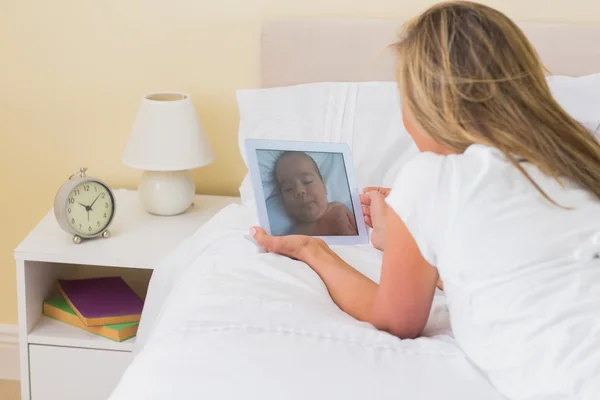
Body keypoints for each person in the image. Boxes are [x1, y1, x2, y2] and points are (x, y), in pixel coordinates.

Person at [251, 1, 600, 399]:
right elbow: (528, 268)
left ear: (428, 106)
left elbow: (396, 320)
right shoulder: (581, 159)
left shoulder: (430, 177)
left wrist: (314, 251)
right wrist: (410, 236)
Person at [273, 151, 358, 236]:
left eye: (307, 181)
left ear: (324, 186)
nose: (299, 191)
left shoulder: (345, 208)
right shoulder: (291, 235)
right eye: (288, 188)